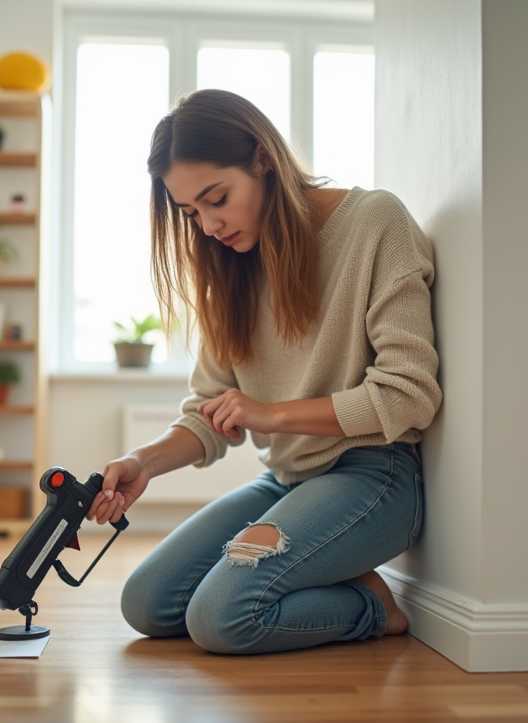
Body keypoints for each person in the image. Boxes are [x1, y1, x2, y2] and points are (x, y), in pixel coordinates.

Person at [87, 89, 442, 655]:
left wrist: (271, 414)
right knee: (147, 602)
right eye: (191, 213)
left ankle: (375, 606)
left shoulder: (375, 222)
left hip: (374, 476)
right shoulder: (230, 268)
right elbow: (208, 414)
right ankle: (319, 563)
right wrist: (142, 463)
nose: (208, 226)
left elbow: (409, 395)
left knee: (221, 618)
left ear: (262, 158)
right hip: (285, 482)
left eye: (217, 199)